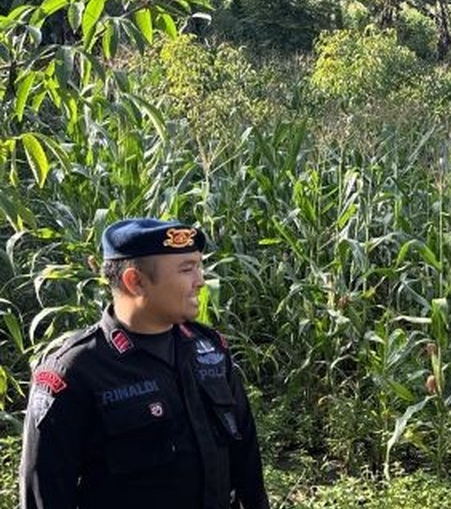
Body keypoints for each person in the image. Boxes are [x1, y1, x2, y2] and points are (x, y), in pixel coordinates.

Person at [19, 218, 268, 509]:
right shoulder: (75, 371)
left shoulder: (209, 349)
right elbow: (44, 494)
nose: (200, 280)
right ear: (135, 281)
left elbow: (247, 464)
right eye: (187, 269)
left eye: (199, 266)